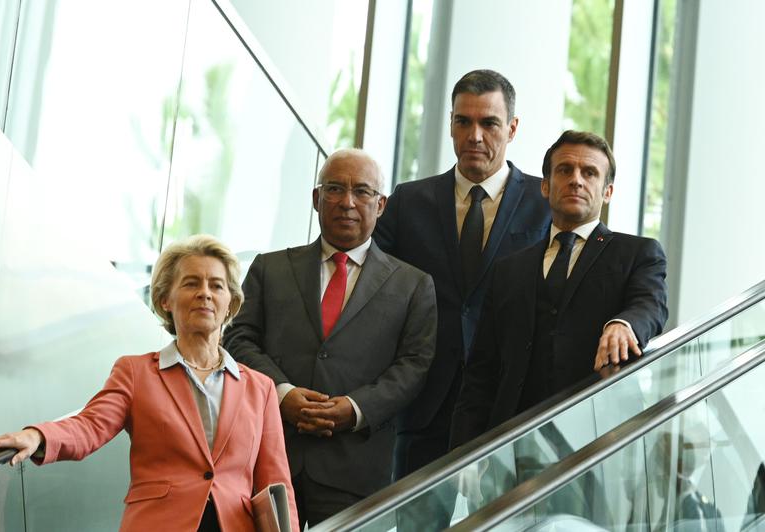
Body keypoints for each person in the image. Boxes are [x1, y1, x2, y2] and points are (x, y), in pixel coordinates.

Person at [0, 235, 299, 532]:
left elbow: (277, 483)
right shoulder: (136, 372)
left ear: (230, 303)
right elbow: (89, 426)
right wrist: (38, 436)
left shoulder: (261, 388)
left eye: (216, 285)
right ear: (165, 300)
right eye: (191, 283)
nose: (205, 292)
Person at [223, 148, 436, 528]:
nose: (347, 202)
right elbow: (239, 338)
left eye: (362, 191)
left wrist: (355, 409)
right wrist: (282, 395)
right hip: (269, 458)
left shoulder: (413, 285)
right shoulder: (269, 268)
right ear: (316, 199)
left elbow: (414, 366)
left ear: (381, 204)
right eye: (335, 189)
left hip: (356, 468)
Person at [373, 69, 551, 480]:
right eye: (463, 122)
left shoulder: (545, 204)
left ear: (512, 128)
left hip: (512, 405)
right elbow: (371, 285)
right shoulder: (408, 201)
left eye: (488, 123)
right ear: (450, 124)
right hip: (423, 404)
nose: (474, 135)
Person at [450, 130, 668, 449]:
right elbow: (481, 372)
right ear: (545, 186)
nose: (576, 180)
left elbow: (651, 305)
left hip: (595, 442)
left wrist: (624, 325)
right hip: (510, 446)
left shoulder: (638, 253)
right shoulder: (509, 269)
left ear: (607, 191)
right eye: (565, 170)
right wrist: (463, 453)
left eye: (589, 173)